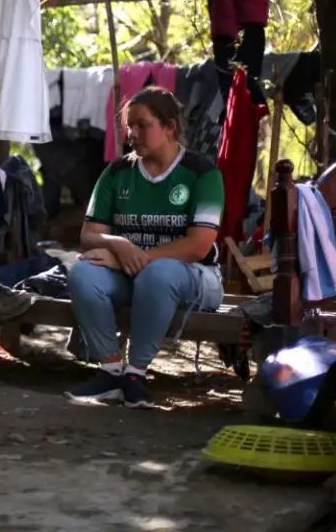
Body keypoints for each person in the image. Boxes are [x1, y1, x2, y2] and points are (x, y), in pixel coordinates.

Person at [65, 86, 225, 408]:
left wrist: (137, 257)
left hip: (195, 277)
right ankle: (111, 372)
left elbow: (198, 245)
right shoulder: (117, 172)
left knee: (159, 272)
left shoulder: (202, 173)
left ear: (169, 128)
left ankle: (136, 374)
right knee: (83, 273)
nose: (133, 134)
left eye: (143, 125)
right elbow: (90, 234)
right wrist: (119, 245)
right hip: (131, 272)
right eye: (129, 127)